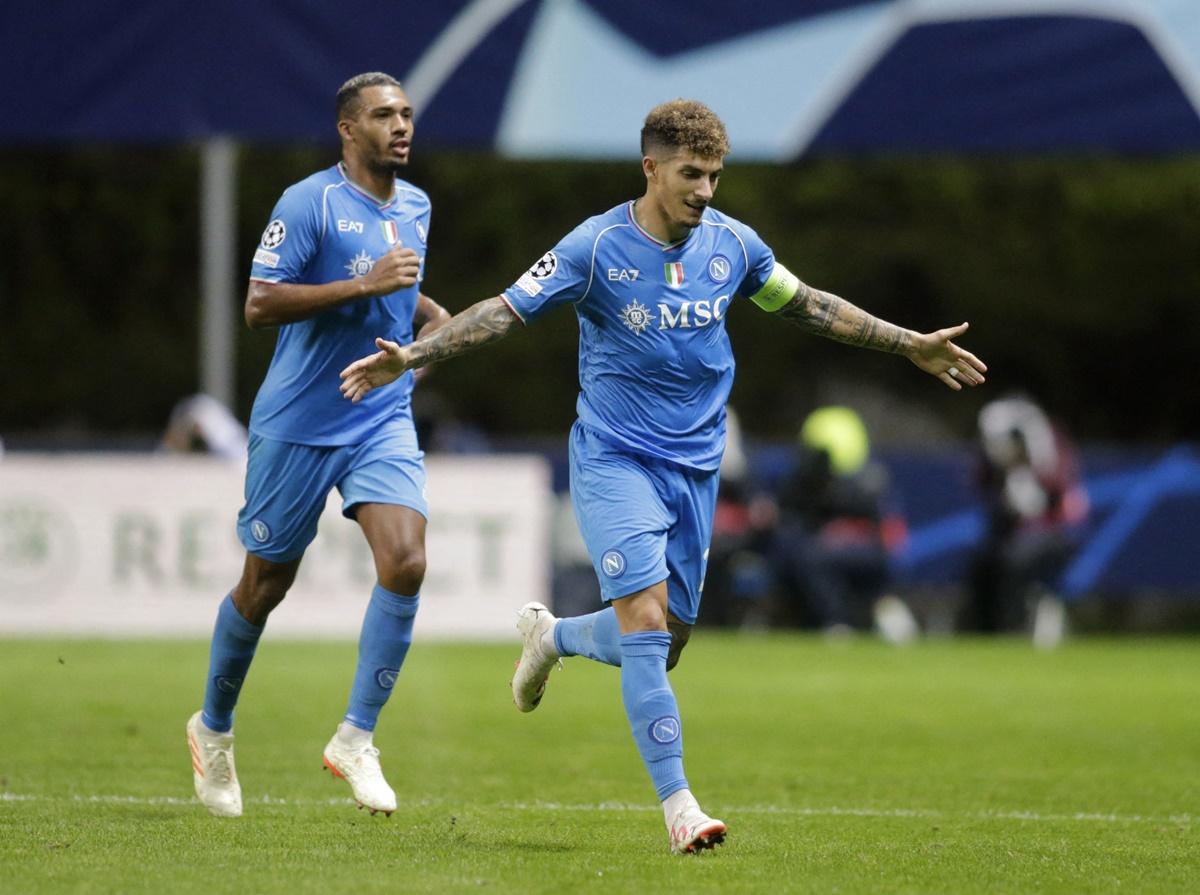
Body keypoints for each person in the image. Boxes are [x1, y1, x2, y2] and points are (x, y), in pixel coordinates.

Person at [339, 99, 987, 853]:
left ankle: (554, 637)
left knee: (667, 639)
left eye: (714, 175)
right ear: (651, 168)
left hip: (697, 468)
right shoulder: (595, 246)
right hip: (615, 458)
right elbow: (503, 312)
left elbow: (807, 304)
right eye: (690, 174)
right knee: (645, 625)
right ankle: (681, 807)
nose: (706, 189)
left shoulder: (734, 248)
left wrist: (909, 343)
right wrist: (412, 357)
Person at [185, 72, 450, 819]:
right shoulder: (310, 202)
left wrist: (428, 318)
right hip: (299, 420)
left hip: (379, 412)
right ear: (347, 128)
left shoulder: (419, 204)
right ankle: (213, 727)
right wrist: (361, 286)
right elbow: (259, 302)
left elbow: (400, 288)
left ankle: (356, 739)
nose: (400, 126)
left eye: (405, 113)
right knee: (264, 586)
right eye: (382, 116)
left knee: (407, 559)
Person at [765, 406, 917, 642]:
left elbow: (888, 533)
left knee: (815, 558)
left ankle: (842, 620)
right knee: (803, 553)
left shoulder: (868, 482)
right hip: (838, 553)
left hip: (868, 553)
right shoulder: (806, 484)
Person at [962, 394, 1088, 645]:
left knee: (1016, 559)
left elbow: (1061, 501)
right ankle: (994, 629)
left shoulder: (1050, 452)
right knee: (987, 564)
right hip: (1016, 535)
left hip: (1055, 531)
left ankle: (1018, 623)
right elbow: (982, 486)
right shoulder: (998, 468)